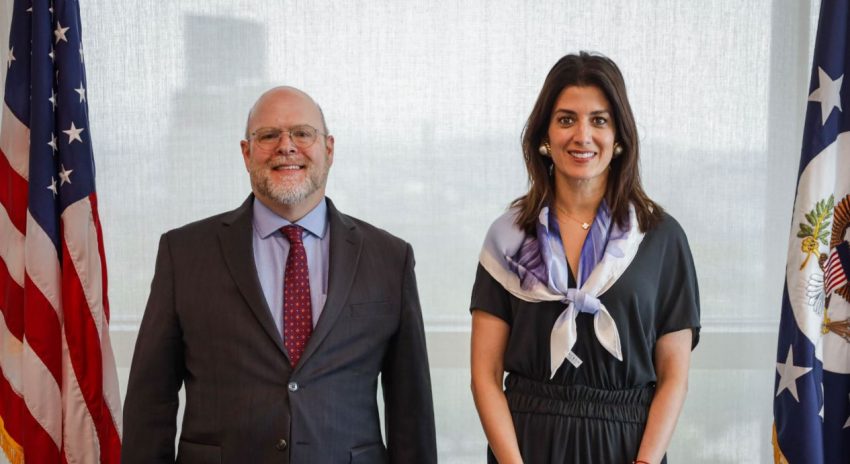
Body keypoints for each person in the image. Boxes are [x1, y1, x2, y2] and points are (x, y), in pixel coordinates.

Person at [122, 86, 437, 463]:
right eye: (269, 135)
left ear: (329, 149)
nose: (286, 146)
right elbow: (150, 402)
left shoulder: (389, 258)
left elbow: (411, 410)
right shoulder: (185, 253)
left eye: (302, 133)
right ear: (246, 153)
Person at [469, 52, 700, 464]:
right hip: (526, 446)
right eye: (566, 120)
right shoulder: (507, 239)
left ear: (619, 136)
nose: (582, 135)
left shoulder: (661, 238)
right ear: (545, 135)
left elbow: (674, 377)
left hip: (629, 448)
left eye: (599, 120)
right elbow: (484, 376)